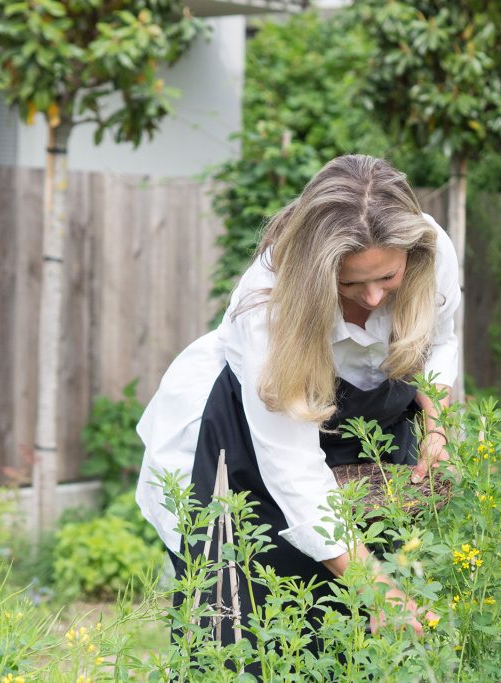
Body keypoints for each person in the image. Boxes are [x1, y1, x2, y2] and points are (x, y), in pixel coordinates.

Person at [134, 154, 460, 652]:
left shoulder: (426, 247)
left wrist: (436, 428)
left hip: (365, 446)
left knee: (361, 640)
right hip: (245, 452)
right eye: (350, 283)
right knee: (249, 635)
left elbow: (439, 340)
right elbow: (294, 471)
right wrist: (379, 593)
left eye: (388, 279)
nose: (373, 298)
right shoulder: (269, 308)